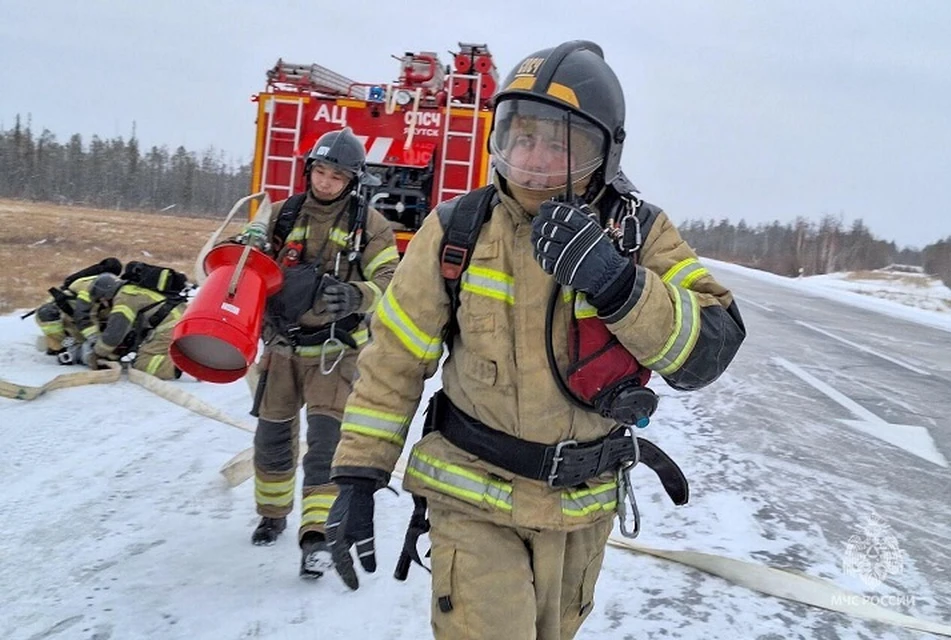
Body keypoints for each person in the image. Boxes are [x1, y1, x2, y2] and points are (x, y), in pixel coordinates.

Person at [323, 40, 746, 639]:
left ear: (604, 151)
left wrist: (621, 286)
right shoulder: (456, 230)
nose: (535, 158)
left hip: (582, 510)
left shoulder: (639, 233)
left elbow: (711, 349)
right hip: (471, 497)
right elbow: (393, 359)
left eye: (559, 142)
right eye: (522, 136)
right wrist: (359, 474)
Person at [242, 126, 400, 579]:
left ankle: (317, 538)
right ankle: (272, 515)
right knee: (271, 439)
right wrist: (242, 246)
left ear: (352, 181)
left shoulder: (371, 226)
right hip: (282, 349)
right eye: (321, 171)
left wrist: (356, 296)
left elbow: (392, 281)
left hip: (335, 353)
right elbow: (241, 263)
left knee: (326, 445)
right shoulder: (283, 215)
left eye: (338, 176)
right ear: (309, 169)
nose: (327, 182)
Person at [78, 272, 186, 380]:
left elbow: (115, 333)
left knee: (143, 363)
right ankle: (182, 355)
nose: (104, 304)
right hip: (180, 320)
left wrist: (97, 353)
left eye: (102, 300)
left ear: (106, 294)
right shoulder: (131, 290)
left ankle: (179, 365)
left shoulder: (124, 298)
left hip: (170, 326)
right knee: (151, 351)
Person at [33, 258, 123, 360]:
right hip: (67, 314)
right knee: (50, 317)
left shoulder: (112, 288)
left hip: (78, 315)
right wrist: (94, 338)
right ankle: (61, 345)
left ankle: (69, 342)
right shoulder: (89, 288)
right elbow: (83, 315)